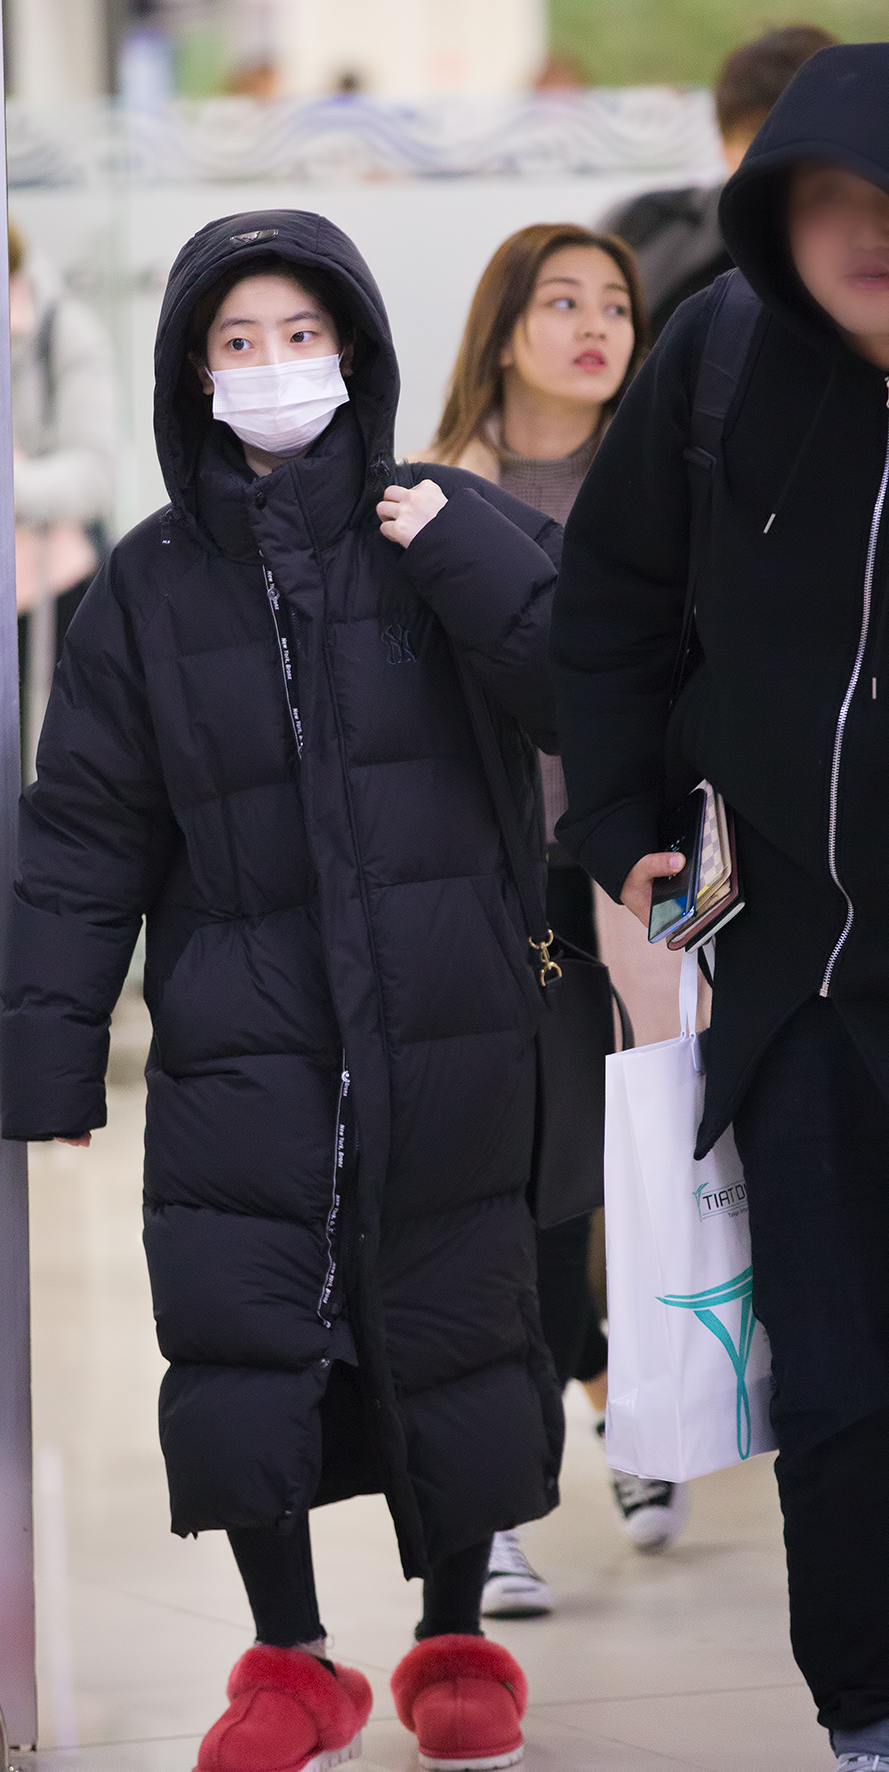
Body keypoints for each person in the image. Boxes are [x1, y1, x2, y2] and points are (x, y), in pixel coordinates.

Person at [3, 208, 567, 1772]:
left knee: (457, 1310)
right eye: (239, 342)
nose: (273, 366)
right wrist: (52, 1053)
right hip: (243, 1020)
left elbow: (581, 681)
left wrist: (455, 552)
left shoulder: (442, 521)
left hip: (447, 1006)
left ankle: (455, 1634)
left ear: (355, 350)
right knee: (247, 1324)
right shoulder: (147, 583)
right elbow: (86, 829)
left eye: (301, 336)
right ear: (195, 373)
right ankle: (292, 1657)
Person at [551, 43, 889, 1770]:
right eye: (826, 200)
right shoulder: (725, 356)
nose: (863, 232)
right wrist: (621, 821)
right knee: (839, 1381)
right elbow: (609, 601)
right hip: (804, 987)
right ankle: (870, 1710)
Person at [427, 223, 683, 1617]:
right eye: (562, 301)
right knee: (525, 1189)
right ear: (504, 325)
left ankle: (643, 1412)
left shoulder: (667, 485)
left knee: (634, 1168)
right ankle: (507, 1503)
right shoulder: (431, 491)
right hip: (491, 884)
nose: (596, 326)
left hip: (647, 877)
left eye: (617, 306)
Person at [603, 24, 837, 338]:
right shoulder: (645, 223)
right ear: (723, 143)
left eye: (799, 136)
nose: (775, 157)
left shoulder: (868, 245)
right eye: (756, 134)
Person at [9, 220, 116, 775]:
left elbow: (95, 473)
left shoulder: (63, 331)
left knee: (50, 763)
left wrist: (1, 487)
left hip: (54, 587)